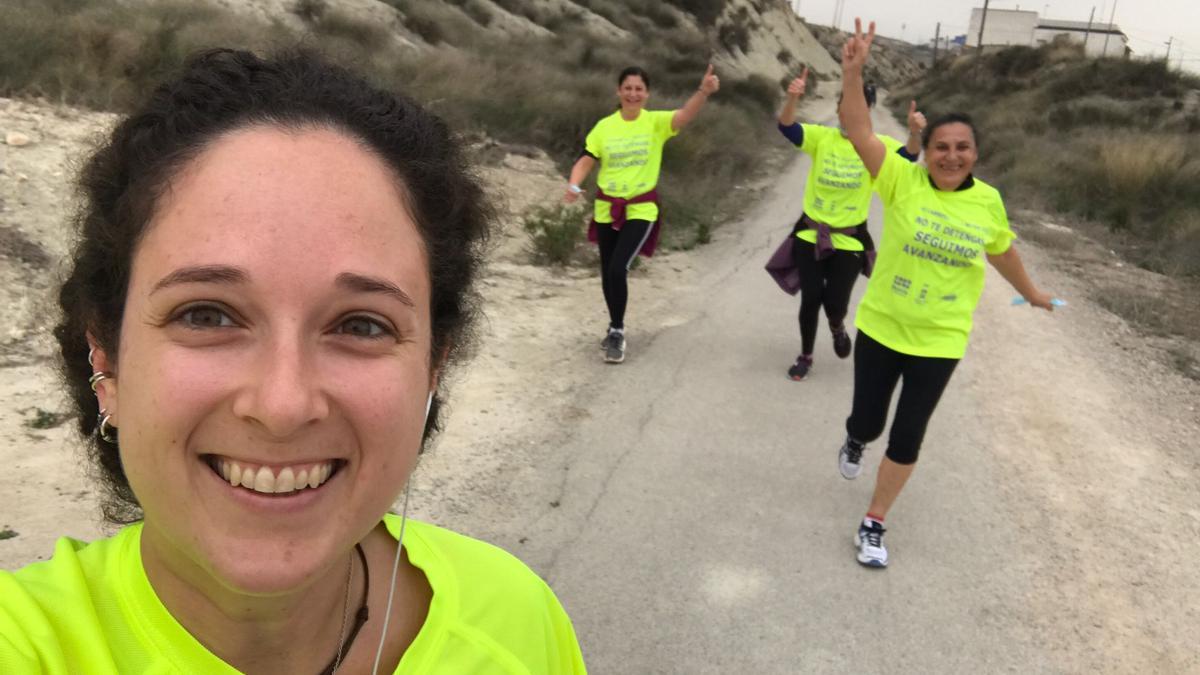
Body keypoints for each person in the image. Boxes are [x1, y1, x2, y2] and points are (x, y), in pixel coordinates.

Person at [0, 49, 586, 673]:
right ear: (107, 358)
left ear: (432, 371)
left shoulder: (518, 618)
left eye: (361, 324)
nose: (282, 405)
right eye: (206, 315)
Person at [835, 20, 1056, 569]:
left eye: (962, 148)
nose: (950, 156)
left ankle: (874, 522)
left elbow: (1000, 250)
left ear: (976, 153)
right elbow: (859, 130)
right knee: (869, 421)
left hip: (941, 339)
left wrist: (1031, 292)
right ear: (926, 149)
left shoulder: (988, 203)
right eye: (941, 147)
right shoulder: (900, 178)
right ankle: (856, 439)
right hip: (884, 327)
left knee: (909, 434)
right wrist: (853, 71)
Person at [775, 66, 926, 380]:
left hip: (850, 238)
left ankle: (836, 325)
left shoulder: (876, 146)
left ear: (867, 110)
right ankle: (805, 355)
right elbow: (787, 127)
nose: (848, 112)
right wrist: (792, 99)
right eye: (843, 105)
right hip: (811, 233)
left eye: (856, 106)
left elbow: (909, 159)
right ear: (838, 107)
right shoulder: (822, 138)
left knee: (835, 303)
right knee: (811, 297)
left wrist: (914, 133)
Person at [563, 64, 719, 364]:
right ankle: (612, 325)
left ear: (647, 94)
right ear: (618, 91)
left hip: (640, 207)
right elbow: (586, 159)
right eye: (628, 88)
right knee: (607, 271)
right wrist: (573, 184)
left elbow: (684, 116)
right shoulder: (604, 126)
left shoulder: (655, 123)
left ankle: (618, 332)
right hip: (607, 207)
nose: (633, 93)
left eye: (639, 89)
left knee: (618, 267)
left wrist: (703, 92)